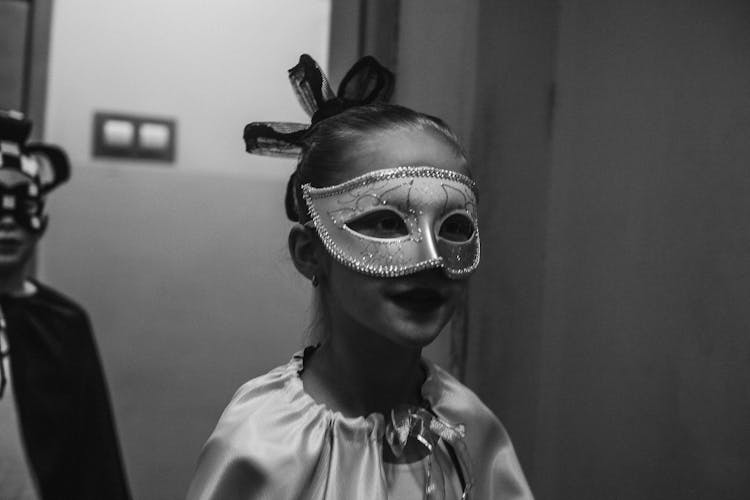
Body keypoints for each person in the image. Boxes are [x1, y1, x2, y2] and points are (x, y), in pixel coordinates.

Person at [187, 55, 533, 499]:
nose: (430, 257)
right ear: (311, 254)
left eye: (453, 227)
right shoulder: (263, 440)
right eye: (386, 222)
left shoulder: (469, 429)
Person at [0, 110, 131, 499]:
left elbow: (94, 459)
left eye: (22, 207)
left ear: (42, 218)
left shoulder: (61, 325)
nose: (7, 225)